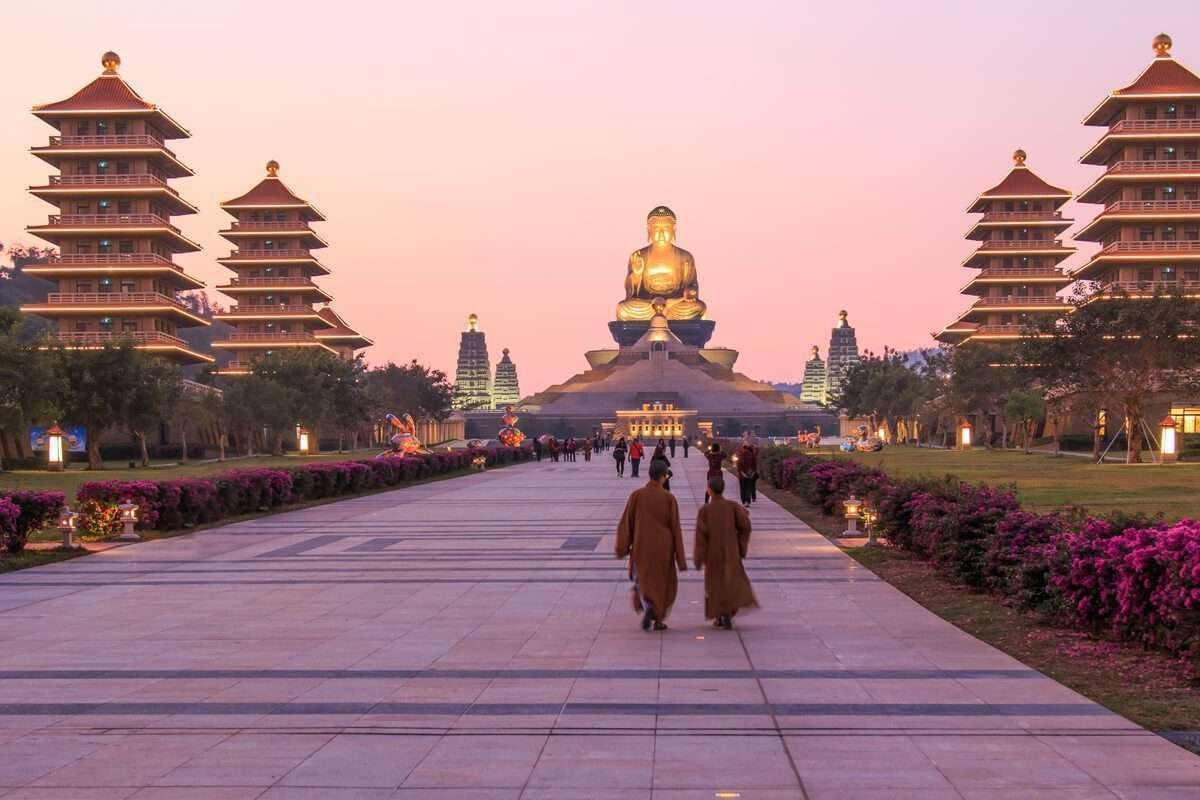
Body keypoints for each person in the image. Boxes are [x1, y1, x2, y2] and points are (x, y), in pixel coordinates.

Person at [615, 460, 687, 631]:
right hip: (664, 547)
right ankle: (659, 618)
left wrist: (622, 547)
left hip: (641, 545)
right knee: (663, 583)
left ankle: (648, 605)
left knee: (643, 578)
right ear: (664, 477)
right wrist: (681, 559)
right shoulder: (669, 498)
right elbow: (675, 528)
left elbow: (627, 523)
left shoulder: (637, 495)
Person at [694, 474, 757, 630]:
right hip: (731, 550)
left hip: (712, 553)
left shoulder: (705, 510)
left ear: (709, 490)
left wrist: (699, 557)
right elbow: (745, 526)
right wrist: (740, 544)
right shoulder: (733, 506)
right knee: (730, 581)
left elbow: (701, 536)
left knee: (715, 584)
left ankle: (719, 615)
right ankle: (728, 612)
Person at [736, 440, 759, 508]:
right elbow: (754, 466)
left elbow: (739, 465)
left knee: (743, 488)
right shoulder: (752, 456)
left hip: (742, 475)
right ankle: (747, 501)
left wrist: (742, 473)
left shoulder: (741, 455)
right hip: (750, 474)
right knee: (748, 488)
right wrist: (752, 474)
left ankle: (744, 501)